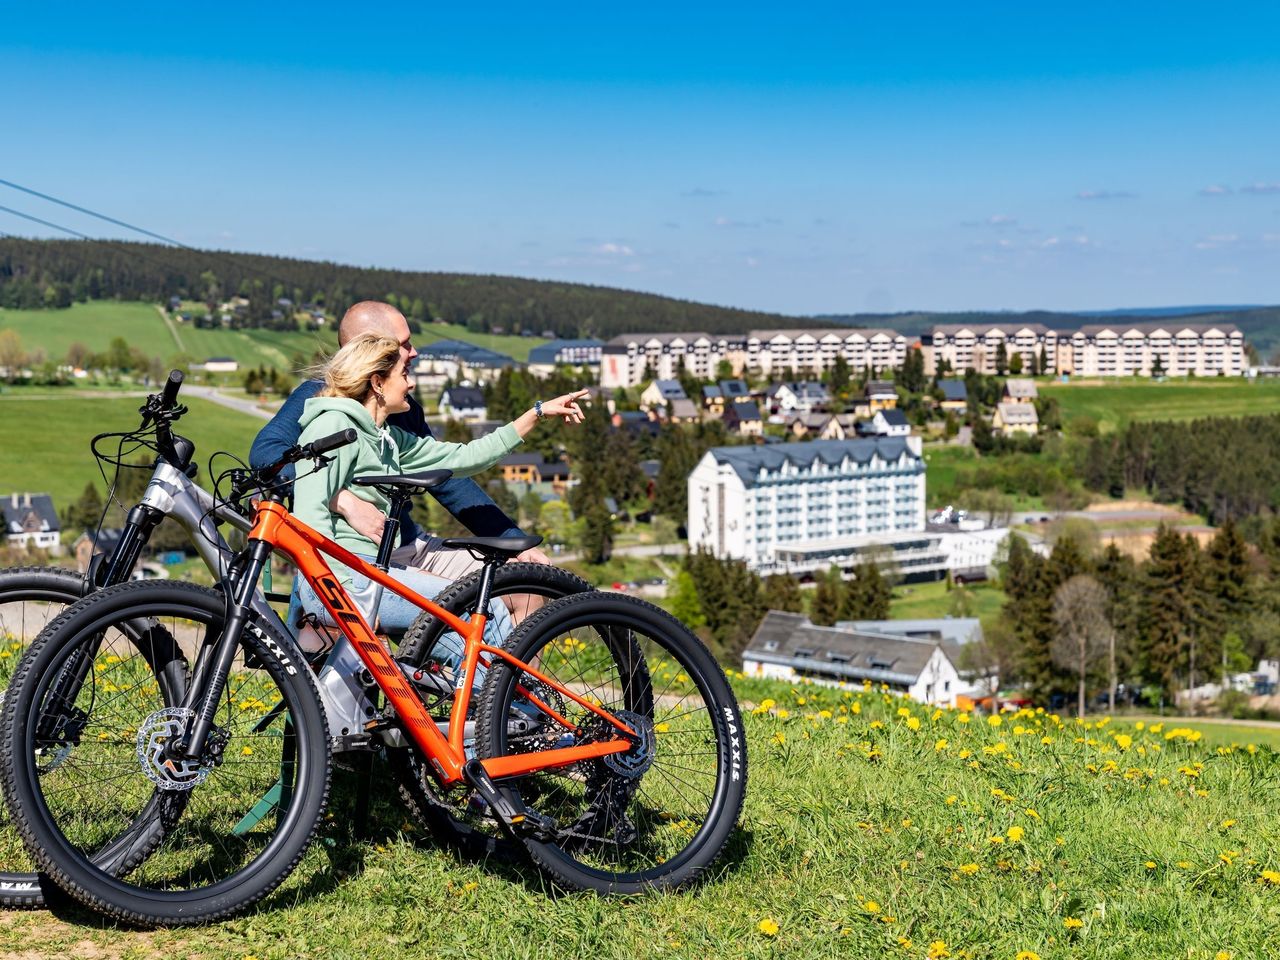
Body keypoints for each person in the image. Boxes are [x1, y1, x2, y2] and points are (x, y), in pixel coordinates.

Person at [289, 333, 588, 661]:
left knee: (469, 624)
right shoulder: (333, 426)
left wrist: (536, 414)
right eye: (404, 374)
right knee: (482, 614)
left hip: (368, 576)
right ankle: (504, 707)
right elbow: (309, 519)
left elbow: (466, 457)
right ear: (377, 382)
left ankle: (484, 704)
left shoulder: (388, 438)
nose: (411, 384)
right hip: (344, 583)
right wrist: (344, 597)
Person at [250, 300, 548, 586]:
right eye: (405, 344)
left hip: (407, 545)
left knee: (524, 586)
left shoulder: (404, 409)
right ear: (371, 349)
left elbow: (448, 479)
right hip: (355, 555)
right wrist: (343, 501)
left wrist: (513, 543)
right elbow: (267, 454)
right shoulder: (320, 400)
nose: (414, 352)